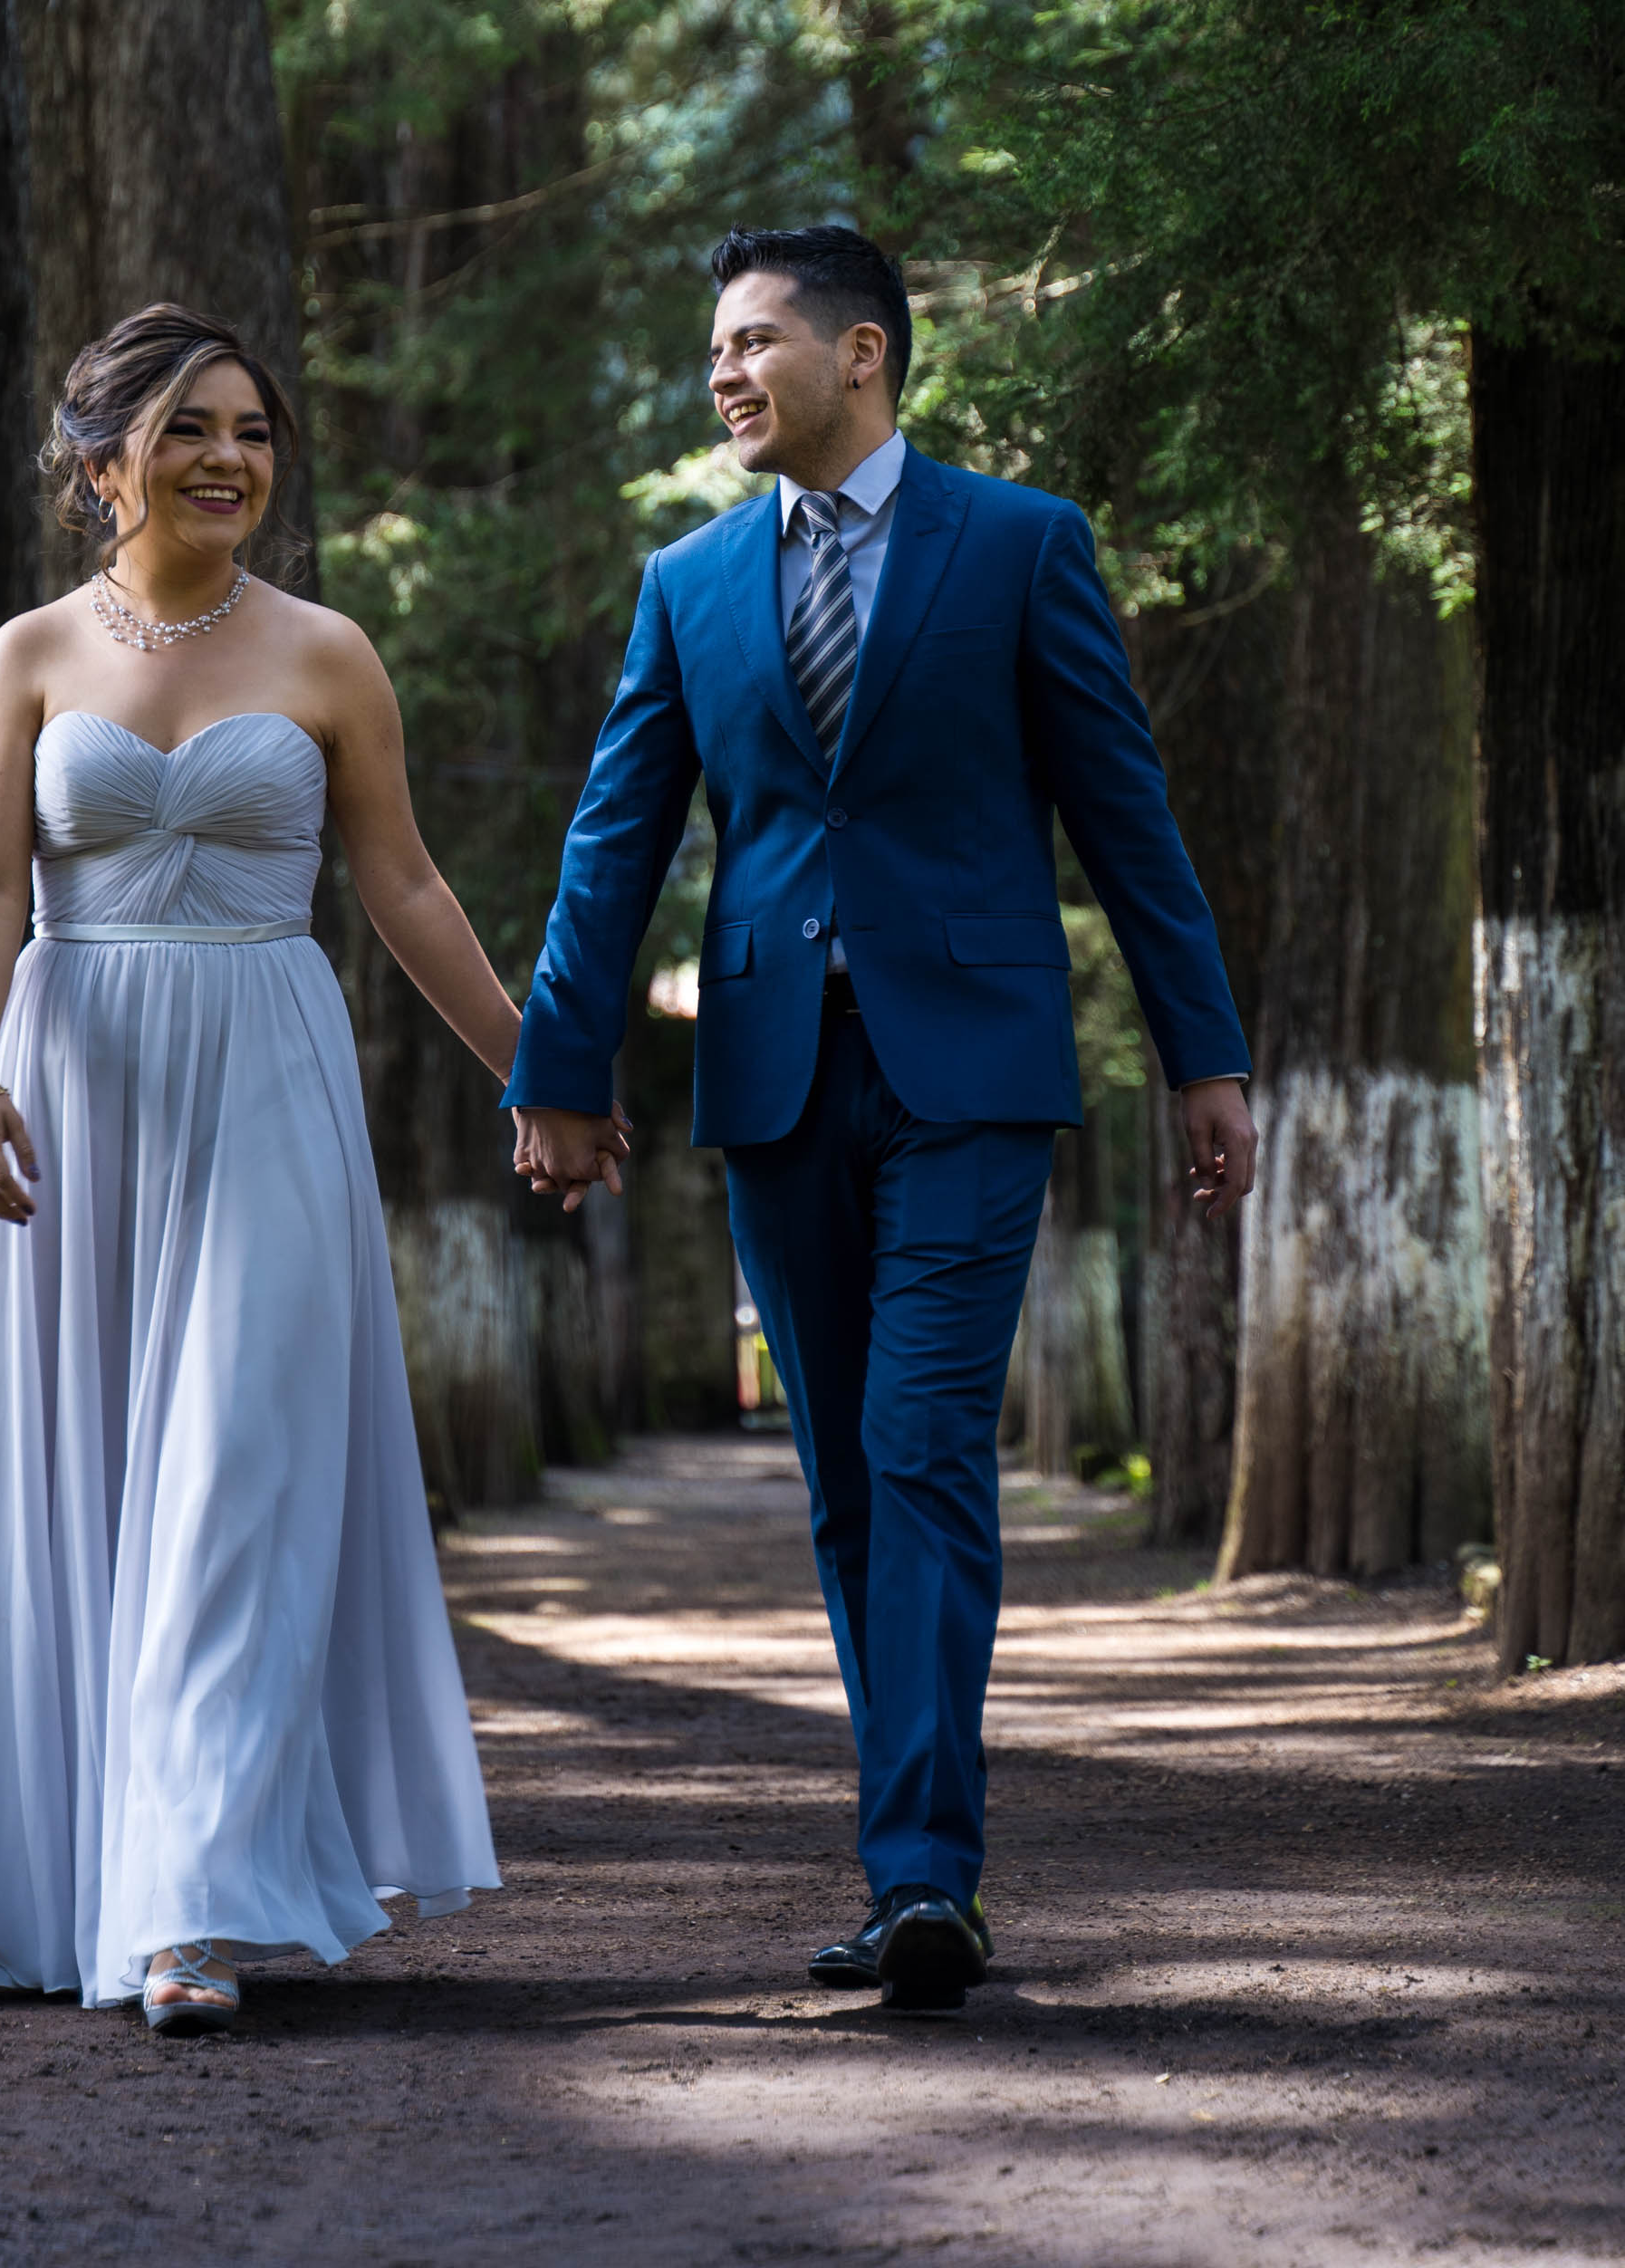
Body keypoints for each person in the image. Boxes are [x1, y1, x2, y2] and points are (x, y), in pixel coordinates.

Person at [0, 303, 513, 2033]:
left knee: (235, 1477)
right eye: (188, 430)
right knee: (56, 1480)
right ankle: (12, 1879)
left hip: (267, 1083)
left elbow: (401, 886)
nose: (230, 458)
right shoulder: (28, 656)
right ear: (102, 466)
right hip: (70, 1094)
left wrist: (537, 1070)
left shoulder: (327, 653)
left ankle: (186, 1908)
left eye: (251, 430)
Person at [505, 224, 1254, 2012]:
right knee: (845, 1475)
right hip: (774, 1077)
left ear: (862, 353)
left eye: (753, 341)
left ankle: (925, 1875)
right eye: (712, 351)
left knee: (920, 1443)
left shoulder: (1018, 544)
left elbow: (1122, 812)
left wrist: (1201, 1051)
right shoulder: (687, 582)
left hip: (968, 1073)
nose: (724, 374)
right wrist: (559, 1067)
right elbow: (615, 841)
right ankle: (907, 1857)